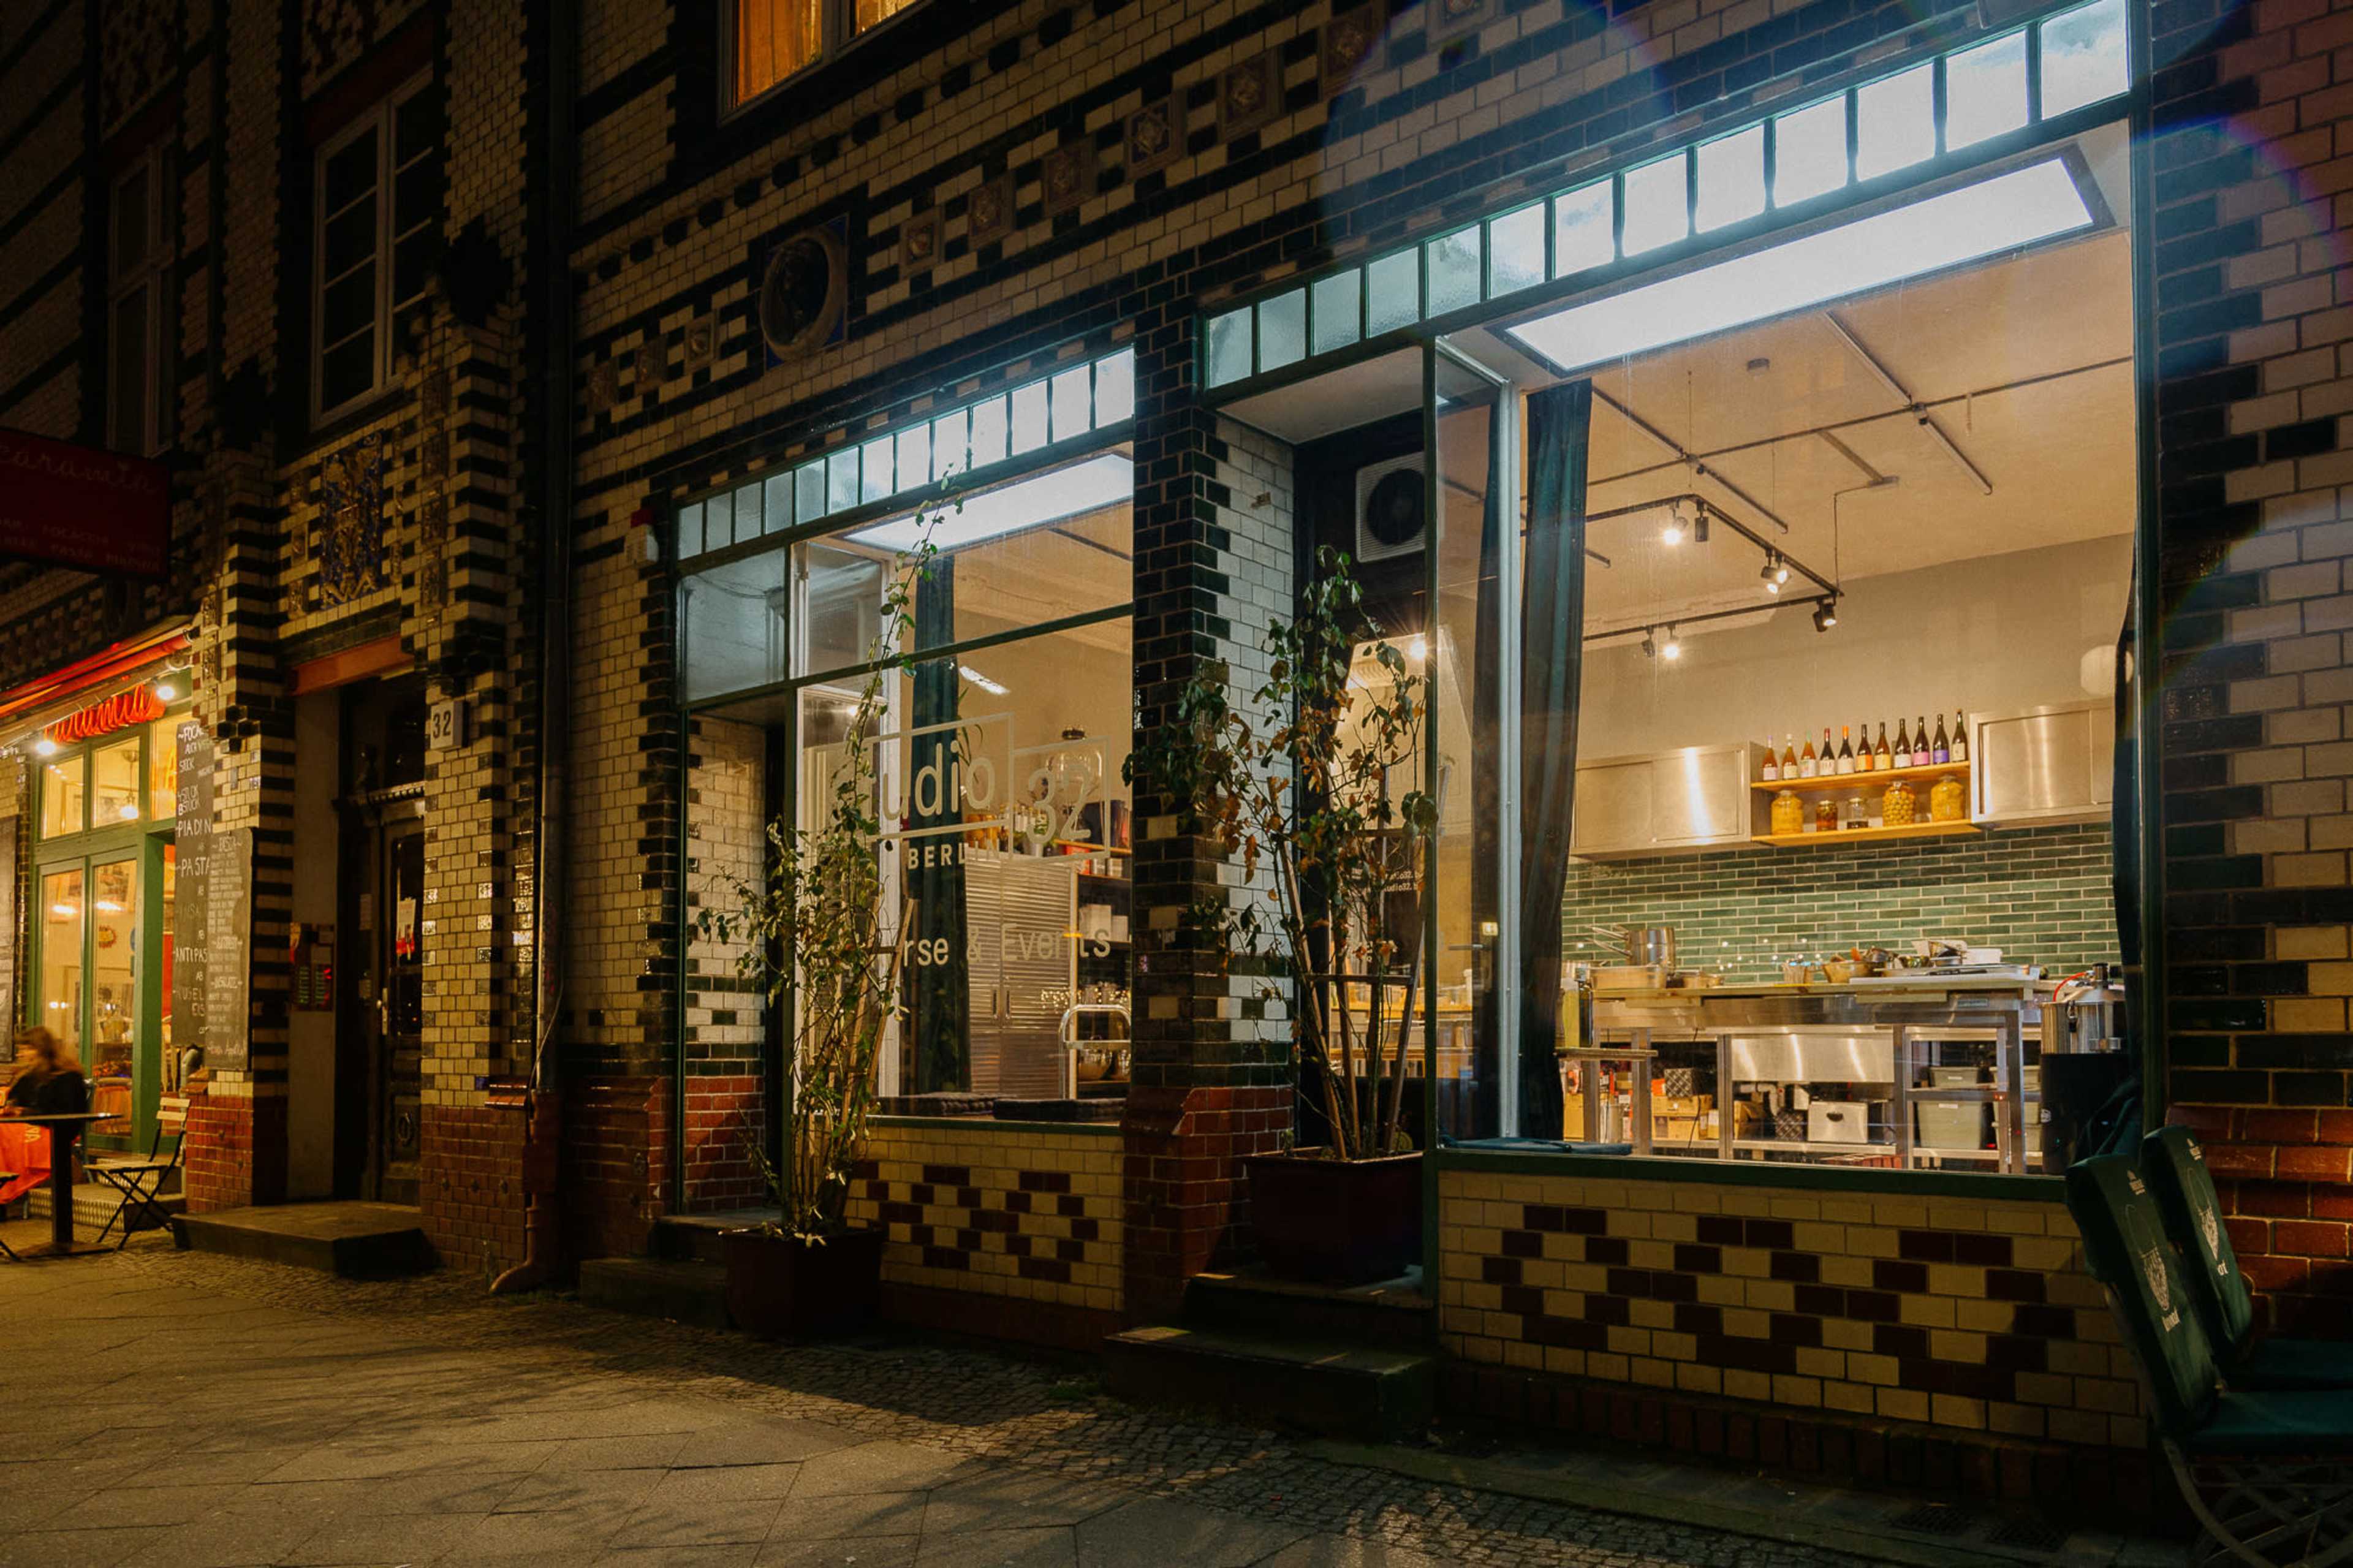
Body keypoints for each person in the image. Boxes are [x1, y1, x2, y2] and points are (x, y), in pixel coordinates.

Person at [3, 1028, 89, 1118]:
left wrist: (25, 1113)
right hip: (23, 1130)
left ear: (43, 1050)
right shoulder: (27, 1078)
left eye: (27, 1049)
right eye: (20, 1050)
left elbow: (69, 1115)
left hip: (53, 1131)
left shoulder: (68, 1077)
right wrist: (11, 1106)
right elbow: (14, 1100)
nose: (20, 1055)